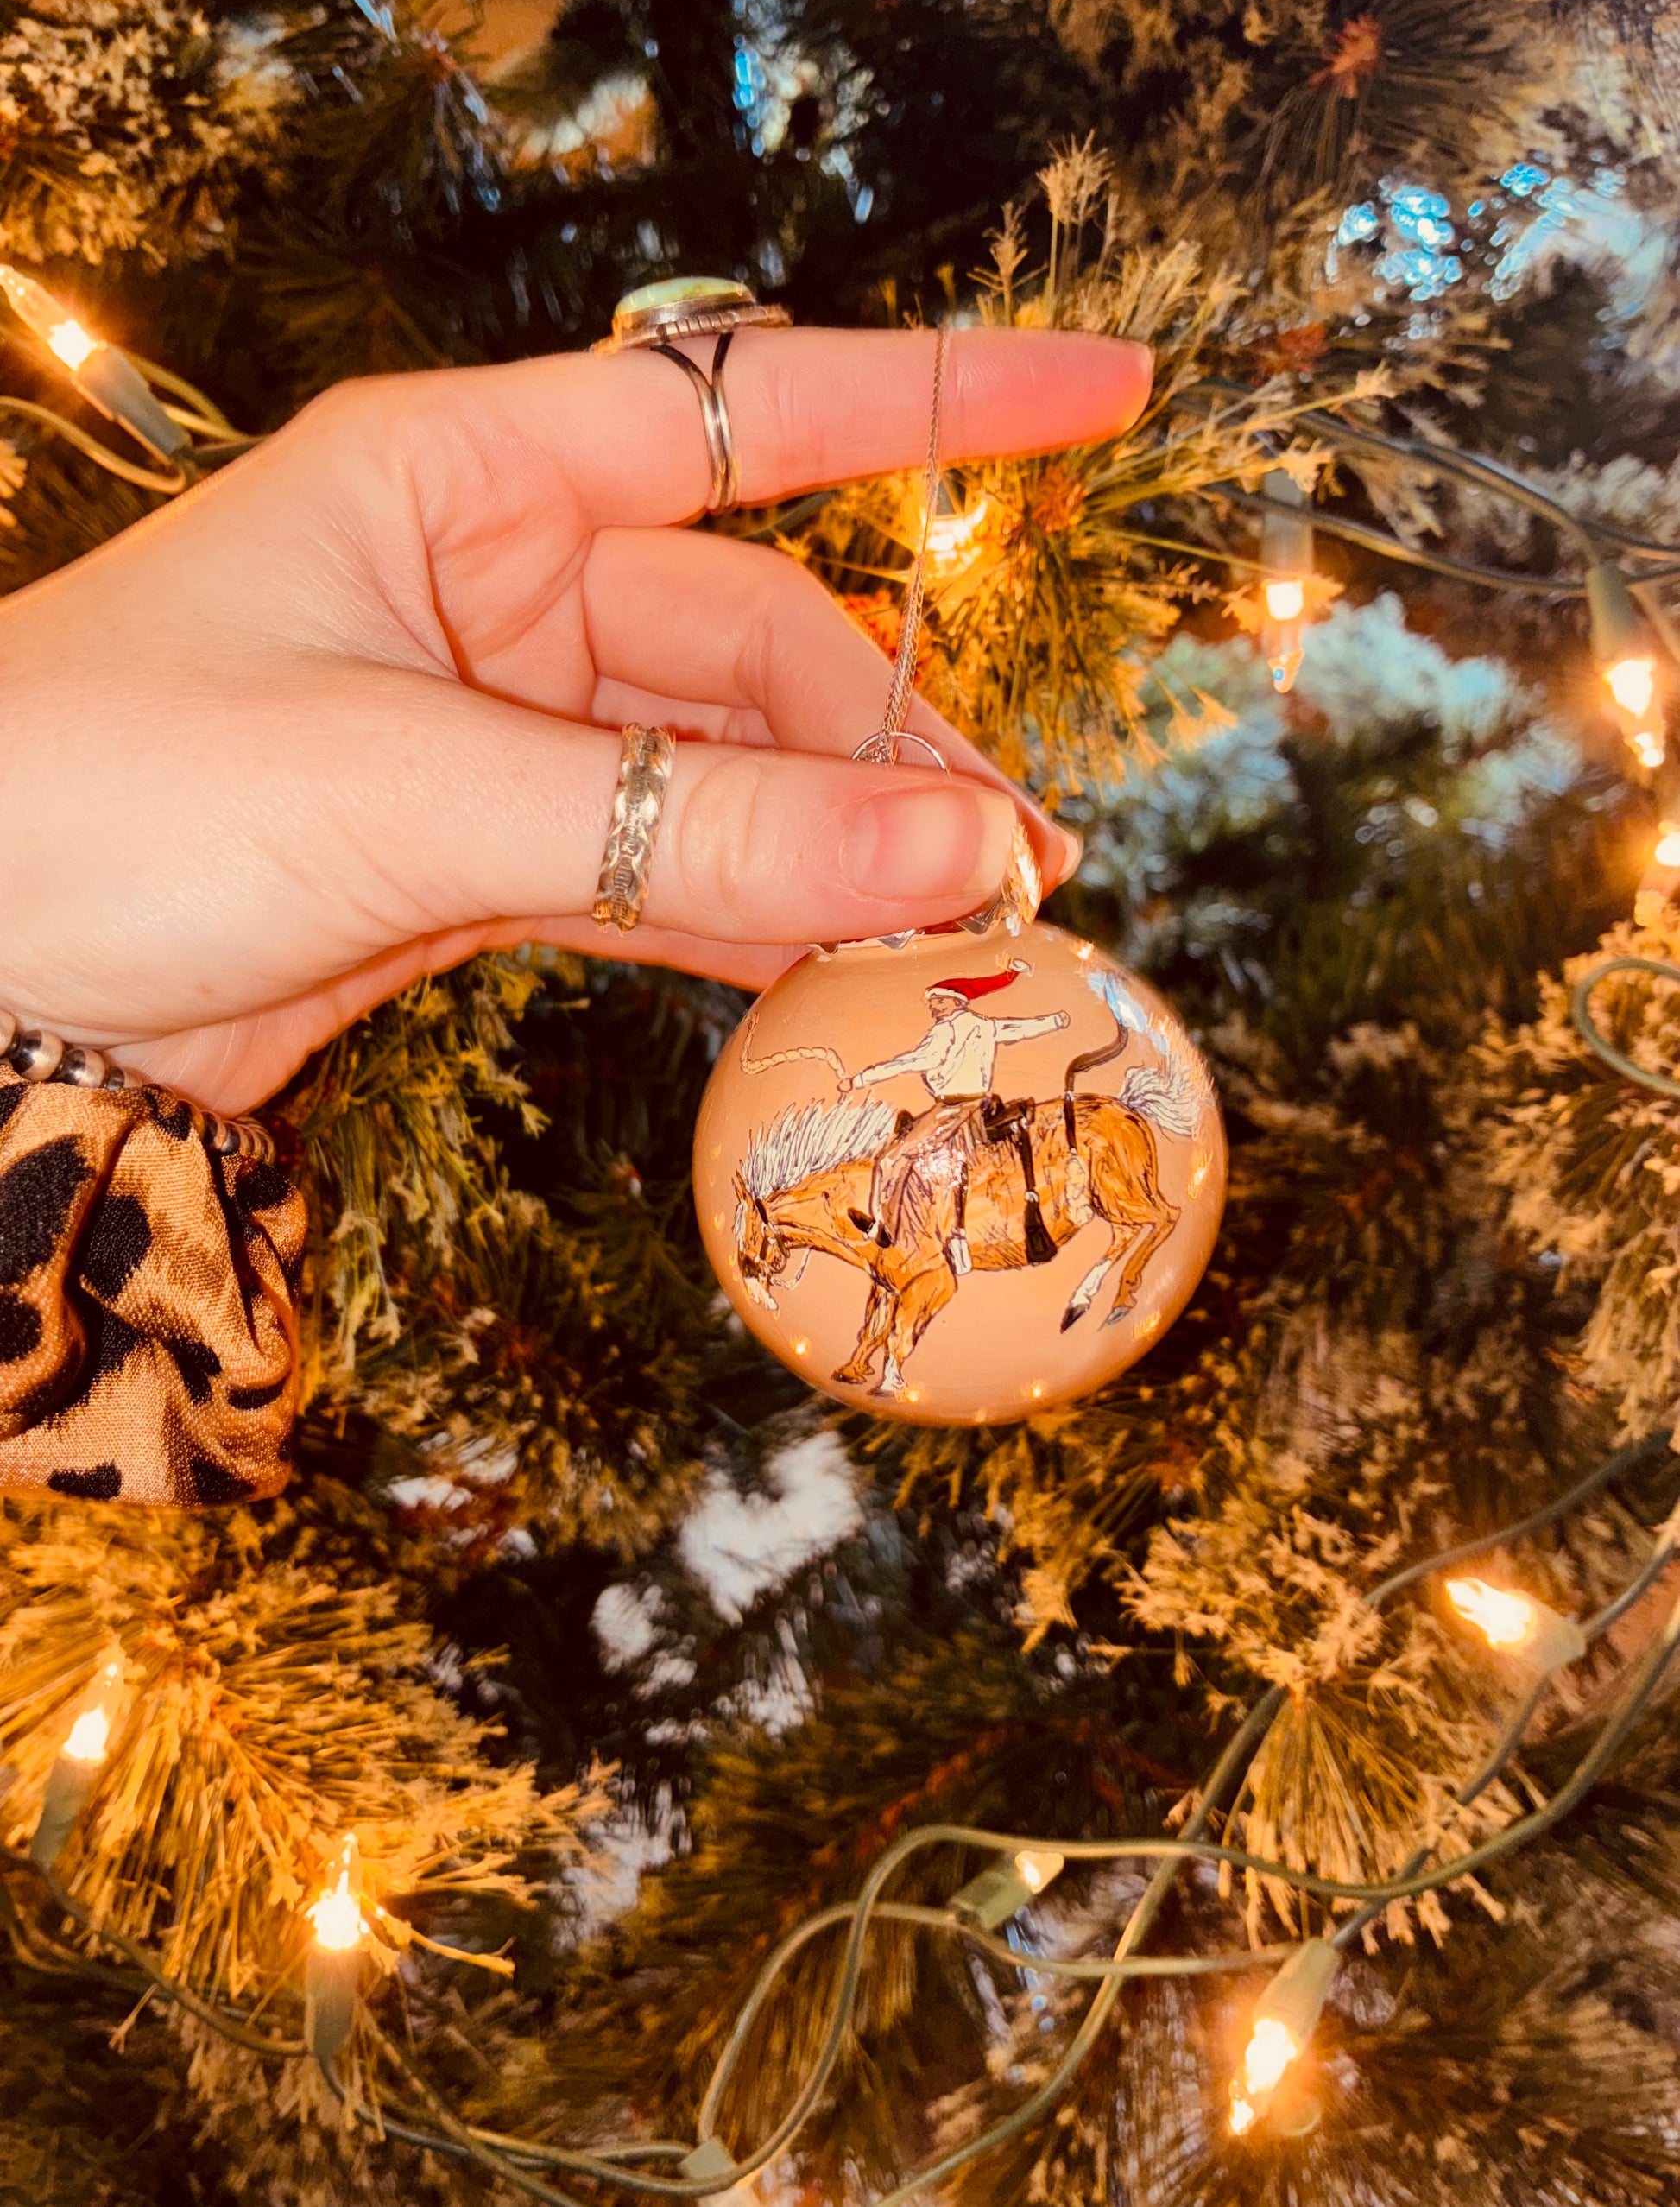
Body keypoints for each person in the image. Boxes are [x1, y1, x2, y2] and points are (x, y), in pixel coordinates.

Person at [0, 320, 1152, 1504]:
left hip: (986, 1120)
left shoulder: (985, 1032)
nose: (951, 1013)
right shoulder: (933, 1042)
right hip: (929, 1118)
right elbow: (904, 1068)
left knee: (938, 1170)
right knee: (899, 1166)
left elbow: (1015, 1034)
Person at [843, 961, 1070, 1274]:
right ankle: (951, 1236)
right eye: (932, 1003)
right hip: (981, 1105)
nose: (932, 1008)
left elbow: (910, 1061)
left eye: (937, 1001)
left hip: (951, 1110)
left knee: (890, 1161)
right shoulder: (984, 1025)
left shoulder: (944, 1032)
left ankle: (884, 1227)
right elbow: (1019, 1028)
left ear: (955, 1001)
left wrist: (861, 1079)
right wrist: (1055, 1021)